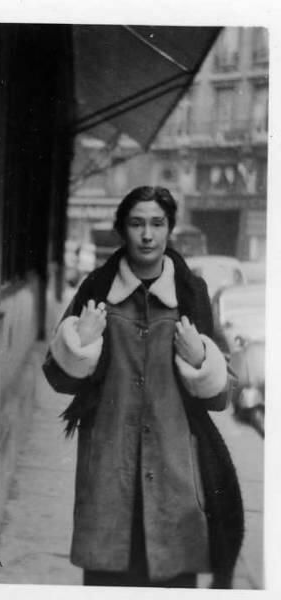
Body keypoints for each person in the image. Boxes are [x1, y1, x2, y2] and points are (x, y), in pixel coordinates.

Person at [43, 186, 244, 588]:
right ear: (122, 229)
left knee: (173, 581)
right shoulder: (96, 290)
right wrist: (80, 342)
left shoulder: (192, 293)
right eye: (137, 224)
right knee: (107, 581)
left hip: (176, 477)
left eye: (157, 223)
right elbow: (57, 378)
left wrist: (200, 359)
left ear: (170, 228)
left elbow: (224, 395)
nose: (147, 235)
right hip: (108, 473)